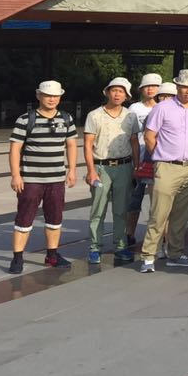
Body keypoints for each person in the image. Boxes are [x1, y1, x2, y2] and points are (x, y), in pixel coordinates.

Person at [139, 70, 188, 273]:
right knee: (159, 214)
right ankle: (148, 256)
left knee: (181, 214)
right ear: (177, 87)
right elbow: (149, 136)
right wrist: (160, 157)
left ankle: (175, 254)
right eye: (184, 87)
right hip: (167, 165)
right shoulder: (162, 108)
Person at [8, 80, 78, 273]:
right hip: (31, 180)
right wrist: (16, 175)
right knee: (24, 218)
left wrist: (72, 170)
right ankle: (17, 258)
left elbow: (71, 145)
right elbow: (15, 149)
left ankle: (52, 255)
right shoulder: (25, 119)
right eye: (47, 95)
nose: (51, 99)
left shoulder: (66, 118)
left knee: (55, 218)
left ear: (60, 97)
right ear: (38, 96)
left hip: (56, 179)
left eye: (55, 95)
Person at [83, 76, 139, 264]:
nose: (117, 94)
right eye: (114, 90)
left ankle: (120, 246)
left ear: (126, 96)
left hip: (124, 166)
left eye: (121, 91)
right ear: (107, 92)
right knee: (98, 209)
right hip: (101, 167)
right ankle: (95, 247)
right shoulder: (94, 115)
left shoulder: (130, 116)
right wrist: (91, 170)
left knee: (121, 210)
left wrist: (136, 166)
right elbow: (88, 144)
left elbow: (134, 142)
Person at [125, 73, 161, 252]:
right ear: (141, 89)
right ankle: (129, 234)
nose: (151, 89)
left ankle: (156, 237)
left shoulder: (164, 107)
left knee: (157, 201)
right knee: (134, 199)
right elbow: (128, 134)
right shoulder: (134, 108)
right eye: (147, 86)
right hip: (138, 158)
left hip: (158, 159)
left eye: (154, 86)